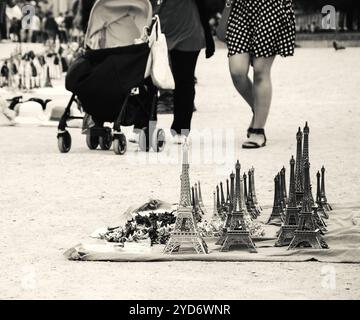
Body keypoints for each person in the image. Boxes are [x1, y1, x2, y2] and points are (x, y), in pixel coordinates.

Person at [226, 0, 296, 148]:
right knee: (237, 71)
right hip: (240, 9)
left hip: (270, 9)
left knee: (260, 70)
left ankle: (258, 130)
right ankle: (258, 108)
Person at [151, 0, 215, 144]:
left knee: (184, 80)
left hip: (187, 27)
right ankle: (144, 126)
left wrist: (208, 33)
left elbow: (207, 4)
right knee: (148, 80)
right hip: (156, 25)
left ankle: (181, 129)